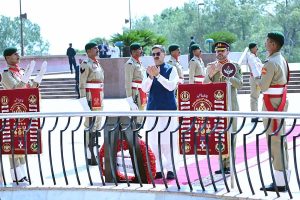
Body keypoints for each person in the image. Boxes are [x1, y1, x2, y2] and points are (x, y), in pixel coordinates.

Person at [0, 47, 47, 182]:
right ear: (8, 58)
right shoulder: (6, 74)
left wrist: (38, 76)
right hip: (12, 112)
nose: (18, 56)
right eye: (15, 54)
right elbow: (15, 90)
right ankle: (16, 177)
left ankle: (23, 175)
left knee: (23, 145)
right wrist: (26, 76)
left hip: (24, 111)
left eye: (18, 54)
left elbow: (30, 87)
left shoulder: (19, 72)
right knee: (13, 146)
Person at [255, 32, 290, 192]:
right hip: (280, 102)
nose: (265, 43)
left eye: (268, 41)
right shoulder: (281, 59)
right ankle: (283, 177)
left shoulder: (270, 63)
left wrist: (256, 77)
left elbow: (263, 86)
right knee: (280, 139)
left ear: (273, 45)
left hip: (271, 104)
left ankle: (280, 182)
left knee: (274, 141)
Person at [203, 41, 243, 174]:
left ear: (228, 52)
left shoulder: (234, 66)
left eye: (222, 50)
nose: (219, 53)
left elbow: (239, 84)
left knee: (231, 135)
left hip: (230, 106)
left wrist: (226, 74)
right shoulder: (210, 66)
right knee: (218, 136)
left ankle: (230, 165)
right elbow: (205, 84)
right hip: (216, 107)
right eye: (217, 51)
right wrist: (211, 74)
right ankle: (221, 165)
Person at [141, 45, 179, 180]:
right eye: (153, 54)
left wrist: (158, 76)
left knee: (169, 142)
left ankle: (171, 168)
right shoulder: (149, 70)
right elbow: (144, 88)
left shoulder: (171, 69)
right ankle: (157, 168)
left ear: (164, 54)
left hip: (168, 110)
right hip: (153, 111)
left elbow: (171, 86)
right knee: (154, 142)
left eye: (158, 53)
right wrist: (151, 77)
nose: (156, 56)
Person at [79, 42, 104, 165]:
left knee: (98, 124)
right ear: (88, 51)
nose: (98, 49)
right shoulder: (85, 64)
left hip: (99, 95)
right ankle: (89, 155)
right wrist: (83, 100)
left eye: (97, 47)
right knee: (90, 125)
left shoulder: (97, 63)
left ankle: (96, 151)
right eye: (95, 48)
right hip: (90, 96)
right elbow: (82, 83)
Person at [124, 43, 147, 120]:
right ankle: (135, 131)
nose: (141, 51)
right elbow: (128, 82)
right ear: (133, 51)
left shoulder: (139, 63)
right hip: (135, 92)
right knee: (136, 115)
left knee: (141, 113)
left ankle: (139, 129)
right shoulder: (130, 64)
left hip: (142, 90)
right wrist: (130, 99)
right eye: (139, 49)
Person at [247, 42, 263, 123]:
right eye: (256, 47)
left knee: (256, 97)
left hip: (257, 77)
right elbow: (254, 68)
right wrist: (258, 79)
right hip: (255, 78)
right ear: (252, 48)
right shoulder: (251, 57)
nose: (257, 49)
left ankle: (256, 115)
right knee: (254, 97)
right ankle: (254, 116)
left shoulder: (254, 57)